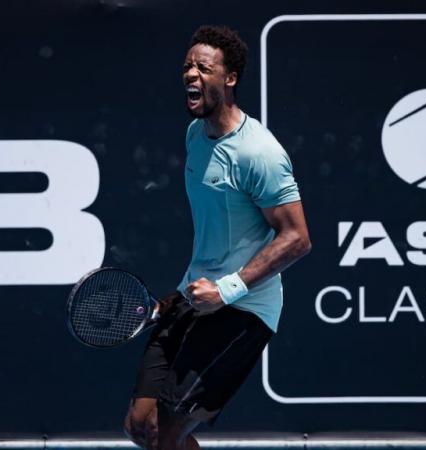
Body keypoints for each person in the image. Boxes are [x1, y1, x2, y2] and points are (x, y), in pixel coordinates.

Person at [123, 25, 311, 450]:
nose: (191, 74)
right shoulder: (195, 136)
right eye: (187, 66)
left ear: (229, 79)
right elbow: (219, 234)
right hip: (196, 295)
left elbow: (297, 238)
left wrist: (228, 289)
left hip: (245, 307)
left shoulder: (258, 152)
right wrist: (182, 294)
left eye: (203, 67)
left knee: (168, 430)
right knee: (141, 426)